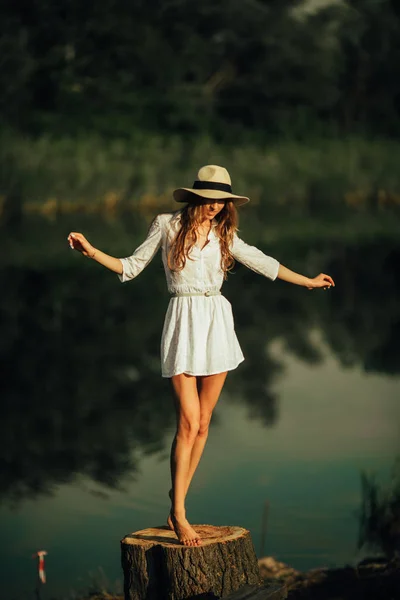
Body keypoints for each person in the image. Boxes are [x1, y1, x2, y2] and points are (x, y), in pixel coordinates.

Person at [68, 165, 335, 547]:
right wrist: (91, 251)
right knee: (188, 421)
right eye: (209, 200)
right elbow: (130, 266)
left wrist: (308, 281)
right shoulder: (166, 225)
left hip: (217, 322)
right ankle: (178, 514)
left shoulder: (224, 233)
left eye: (222, 200)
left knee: (205, 422)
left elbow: (262, 261)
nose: (215, 207)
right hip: (183, 320)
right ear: (196, 197)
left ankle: (178, 504)